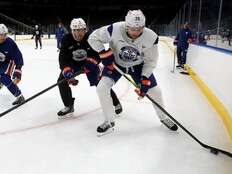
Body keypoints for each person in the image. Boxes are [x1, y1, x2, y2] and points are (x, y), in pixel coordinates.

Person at [88, 9, 178, 135]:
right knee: (102, 88)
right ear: (126, 25)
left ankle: (163, 117)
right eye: (133, 29)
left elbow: (150, 61)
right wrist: (103, 53)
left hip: (137, 66)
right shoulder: (114, 29)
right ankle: (109, 121)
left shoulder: (151, 37)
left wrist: (145, 78)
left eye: (140, 29)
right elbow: (93, 38)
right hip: (116, 64)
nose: (136, 32)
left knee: (155, 91)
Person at [57, 18, 122, 118]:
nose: (77, 33)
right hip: (73, 64)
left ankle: (116, 103)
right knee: (61, 81)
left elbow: (98, 54)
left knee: (101, 83)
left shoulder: (91, 37)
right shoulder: (66, 39)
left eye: (80, 30)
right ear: (71, 30)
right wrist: (66, 70)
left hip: (89, 63)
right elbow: (63, 57)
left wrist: (91, 64)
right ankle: (68, 105)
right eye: (75, 30)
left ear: (85, 30)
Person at [0, 24, 25, 105]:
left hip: (9, 61)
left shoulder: (10, 43)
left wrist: (18, 71)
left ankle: (19, 96)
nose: (3, 37)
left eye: (5, 35)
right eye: (1, 35)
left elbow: (18, 56)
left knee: (4, 77)